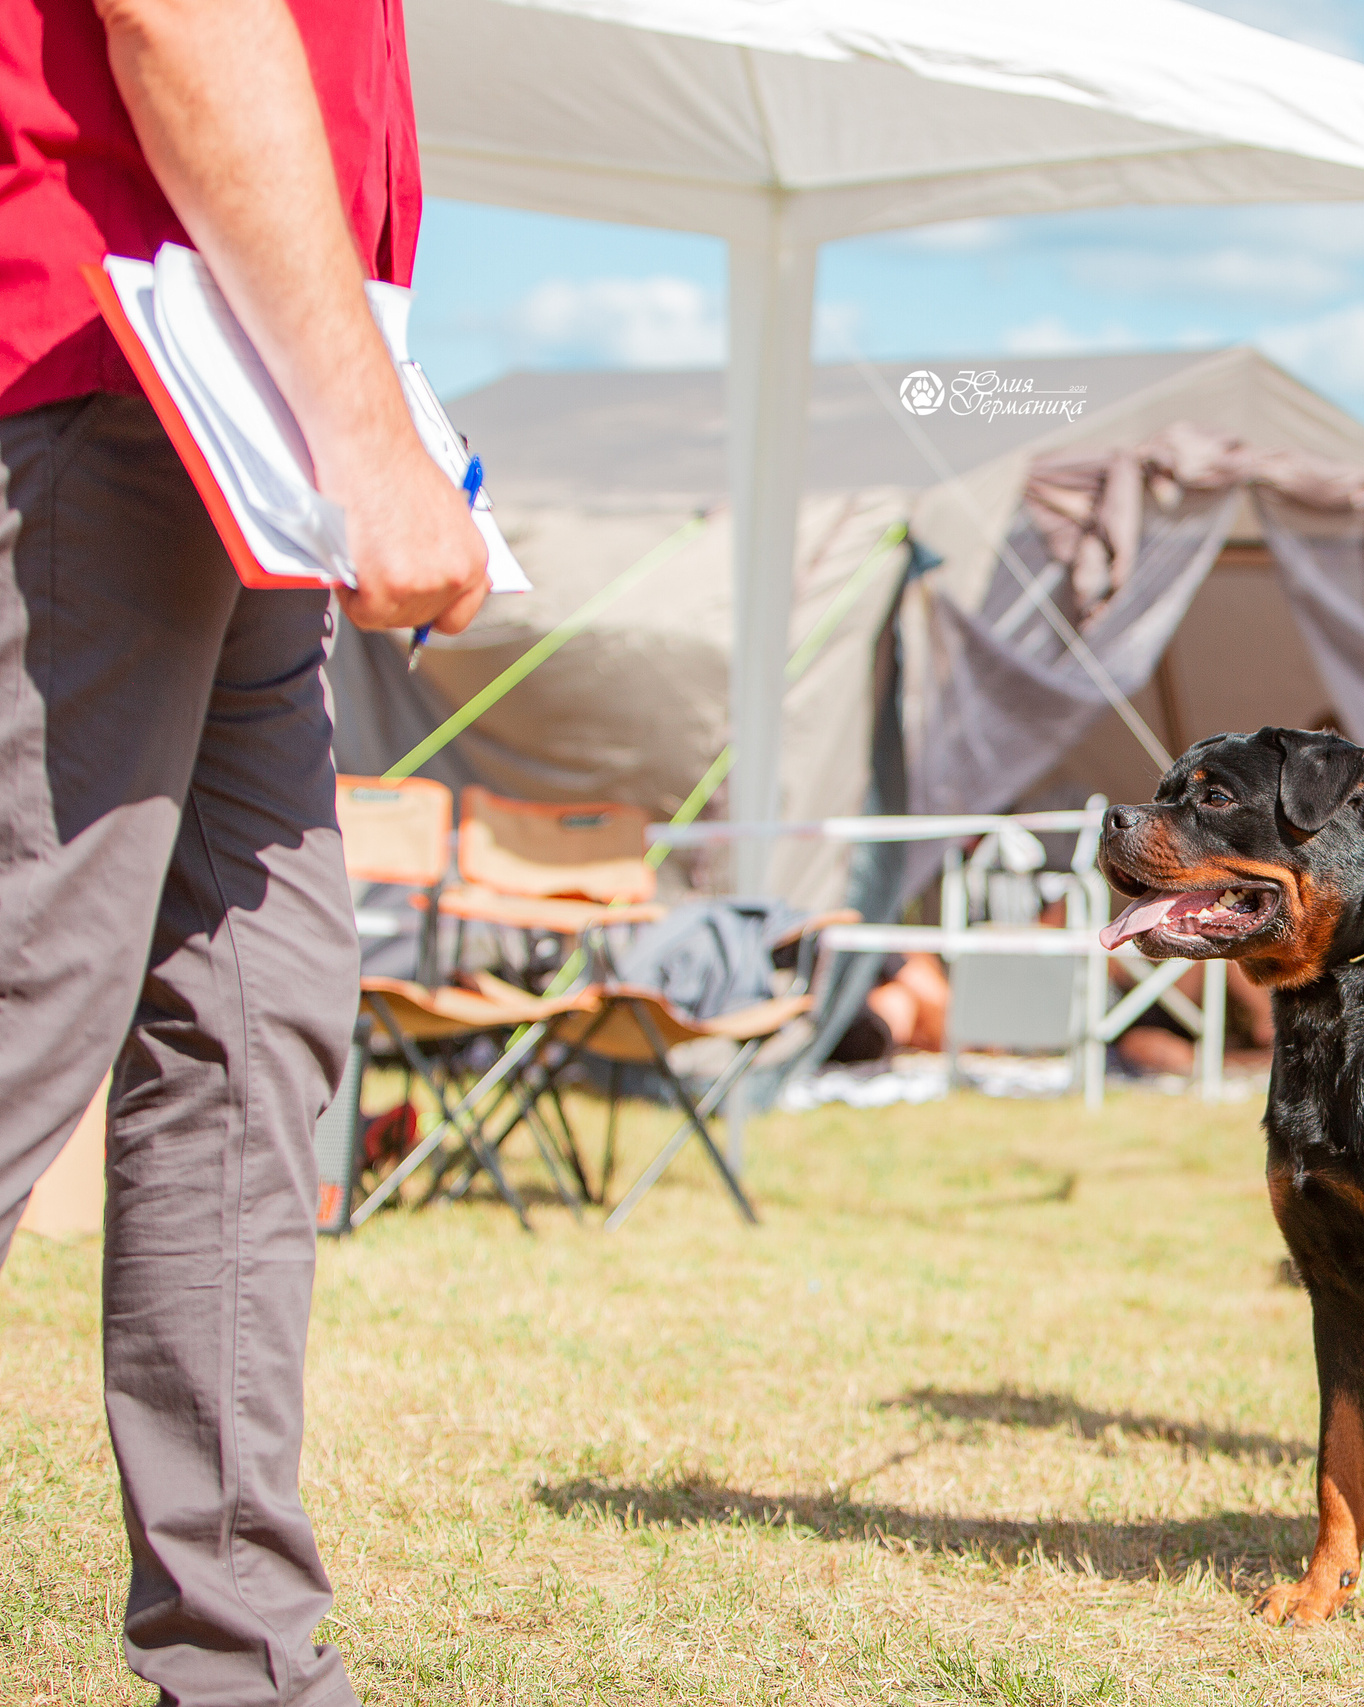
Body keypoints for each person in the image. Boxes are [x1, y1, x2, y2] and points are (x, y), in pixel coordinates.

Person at [0, 1, 487, 1700]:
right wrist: (368, 441)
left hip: (233, 412)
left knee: (255, 1025)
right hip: (92, 363)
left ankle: (243, 1667)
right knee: (27, 1001)